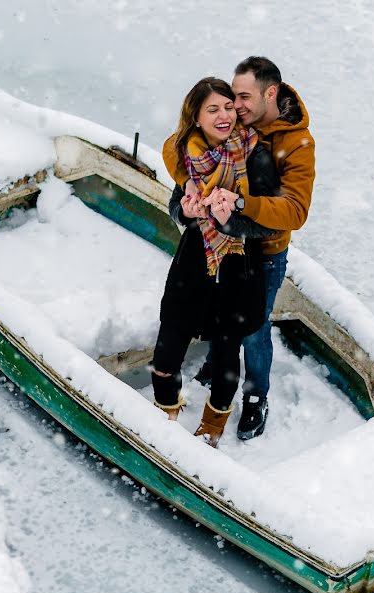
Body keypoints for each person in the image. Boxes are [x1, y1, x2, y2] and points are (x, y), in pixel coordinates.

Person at [162, 57, 316, 441]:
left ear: (270, 93)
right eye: (232, 98)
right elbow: (177, 145)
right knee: (220, 314)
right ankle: (216, 363)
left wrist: (241, 204)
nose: (236, 105)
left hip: (262, 251)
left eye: (242, 97)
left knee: (253, 328)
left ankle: (255, 395)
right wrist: (191, 186)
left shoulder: (296, 143)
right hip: (223, 243)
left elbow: (295, 210)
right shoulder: (236, 122)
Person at [151, 76, 280, 448]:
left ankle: (211, 428)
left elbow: (267, 221)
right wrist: (187, 212)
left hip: (240, 268)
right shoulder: (189, 156)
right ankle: (165, 412)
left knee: (227, 352)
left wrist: (232, 217)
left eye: (228, 107)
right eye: (213, 110)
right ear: (196, 118)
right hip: (194, 263)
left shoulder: (256, 156)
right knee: (169, 341)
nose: (224, 115)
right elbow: (177, 204)